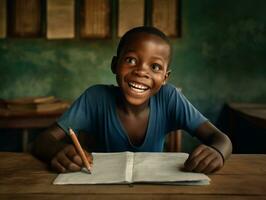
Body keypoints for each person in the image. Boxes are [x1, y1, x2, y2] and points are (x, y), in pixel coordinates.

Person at [33, 26, 232, 174]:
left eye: (155, 67)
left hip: (153, 191)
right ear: (114, 64)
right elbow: (43, 140)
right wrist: (57, 150)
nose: (141, 71)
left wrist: (217, 152)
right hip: (100, 189)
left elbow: (222, 139)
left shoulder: (169, 98)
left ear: (165, 78)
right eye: (131, 60)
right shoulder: (95, 98)